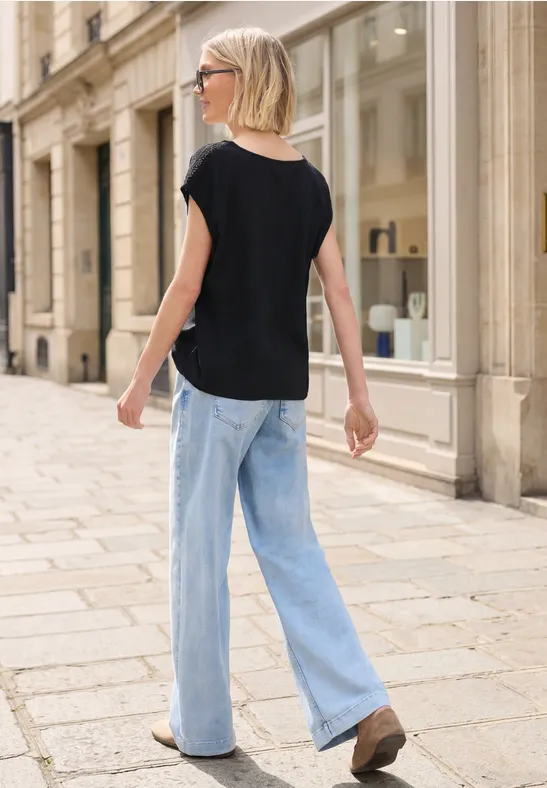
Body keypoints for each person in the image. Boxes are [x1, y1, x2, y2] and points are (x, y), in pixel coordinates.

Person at [117, 26, 405, 776]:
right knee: (293, 551)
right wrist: (359, 396)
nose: (197, 87)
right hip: (281, 396)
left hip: (214, 394)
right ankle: (364, 704)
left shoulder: (212, 168)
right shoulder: (310, 181)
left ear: (239, 78)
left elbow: (185, 287)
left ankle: (202, 728)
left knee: (198, 557)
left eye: (205, 74)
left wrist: (141, 378)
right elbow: (338, 292)